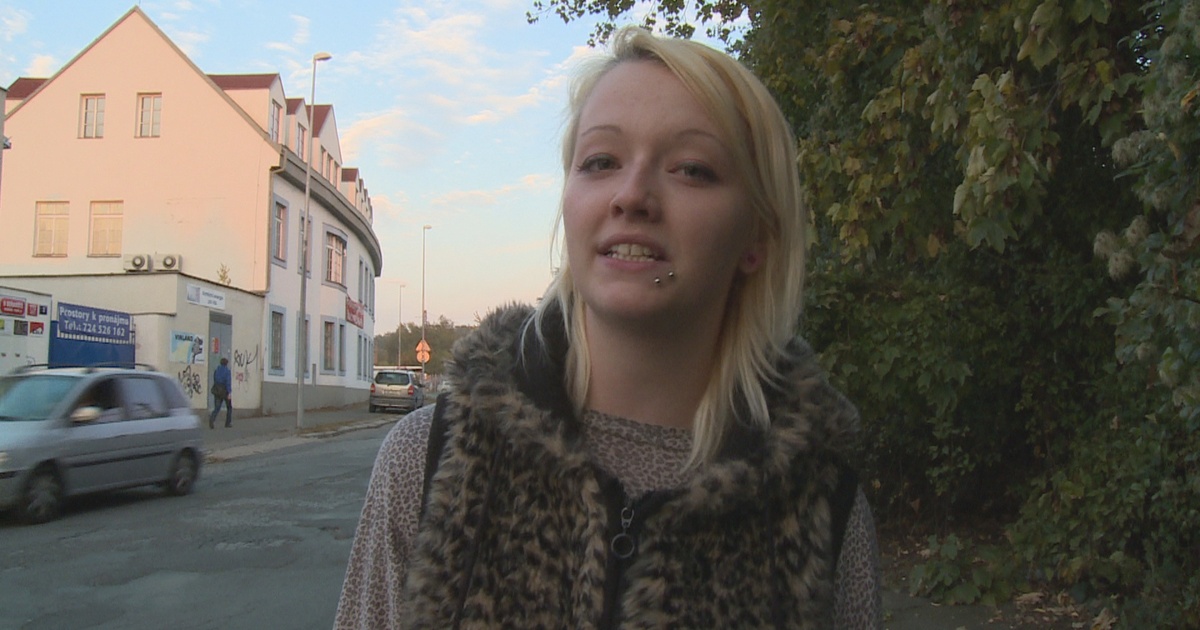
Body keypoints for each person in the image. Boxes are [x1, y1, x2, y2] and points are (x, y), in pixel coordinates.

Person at [336, 26, 882, 629]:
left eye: (691, 168)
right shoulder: (433, 462)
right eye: (600, 162)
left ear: (756, 236)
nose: (632, 195)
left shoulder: (821, 508)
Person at [210, 357, 232, 429]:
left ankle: (212, 418)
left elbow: (215, 379)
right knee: (229, 407)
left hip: (217, 390)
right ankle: (227, 423)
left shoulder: (217, 370)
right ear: (226, 364)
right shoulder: (227, 371)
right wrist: (229, 392)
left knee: (217, 407)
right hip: (224, 391)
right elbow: (228, 382)